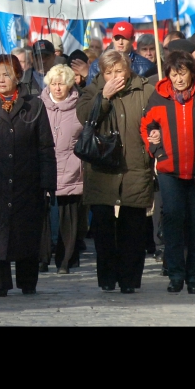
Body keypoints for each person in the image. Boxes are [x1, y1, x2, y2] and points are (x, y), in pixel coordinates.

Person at [0, 54, 56, 296]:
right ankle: (0, 284)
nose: (1, 79)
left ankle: (28, 282)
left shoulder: (34, 105)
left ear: (18, 76)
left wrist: (48, 182)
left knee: (26, 233)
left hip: (28, 180)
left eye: (7, 74)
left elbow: (45, 147)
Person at [140, 50, 195, 294]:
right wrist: (157, 151)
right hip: (170, 171)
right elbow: (147, 125)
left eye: (182, 73)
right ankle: (176, 275)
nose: (178, 79)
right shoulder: (159, 96)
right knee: (173, 221)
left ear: (191, 71)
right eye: (173, 74)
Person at [77, 50, 156, 293]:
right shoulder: (92, 90)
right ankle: (108, 278)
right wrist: (104, 97)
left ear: (129, 69)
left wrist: (156, 132)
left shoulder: (144, 89)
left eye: (119, 71)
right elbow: (83, 116)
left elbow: (158, 117)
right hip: (103, 169)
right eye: (108, 72)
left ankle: (130, 280)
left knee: (133, 231)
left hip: (134, 167)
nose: (114, 76)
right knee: (103, 231)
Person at [39, 64, 84, 274]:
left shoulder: (80, 105)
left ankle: (66, 260)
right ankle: (41, 258)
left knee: (69, 217)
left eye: (62, 84)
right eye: (54, 84)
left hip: (72, 166)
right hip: (44, 166)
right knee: (42, 216)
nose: (57, 88)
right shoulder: (39, 105)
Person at [86, 21, 157, 82]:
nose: (120, 42)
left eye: (124, 38)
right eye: (117, 38)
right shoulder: (97, 65)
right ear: (112, 38)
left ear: (133, 39)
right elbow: (90, 94)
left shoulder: (147, 67)